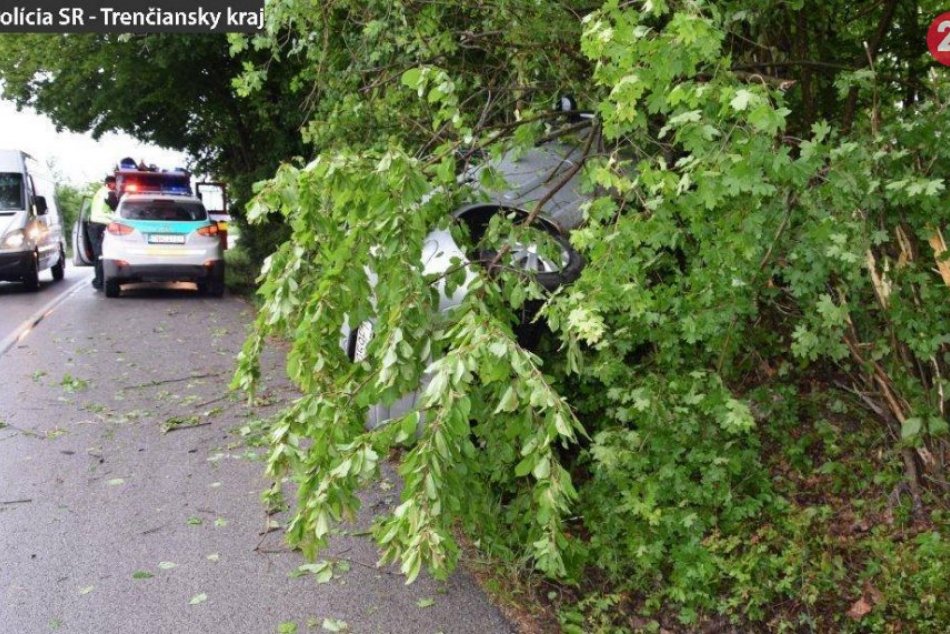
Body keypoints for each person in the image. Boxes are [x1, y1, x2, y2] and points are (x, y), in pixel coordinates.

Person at [88, 175, 117, 290]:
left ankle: (98, 280)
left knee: (98, 254)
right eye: (115, 184)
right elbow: (116, 208)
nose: (116, 186)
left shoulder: (99, 192)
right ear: (109, 184)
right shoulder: (109, 193)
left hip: (94, 225)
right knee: (102, 254)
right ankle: (100, 281)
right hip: (103, 225)